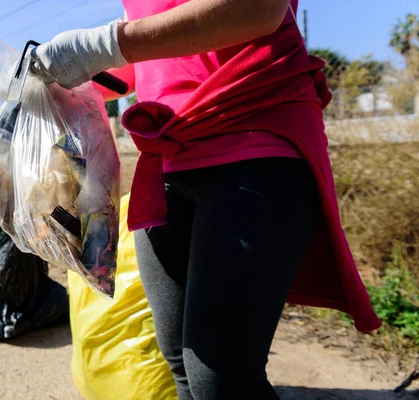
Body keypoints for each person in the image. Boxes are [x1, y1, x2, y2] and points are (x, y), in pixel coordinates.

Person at [31, 1, 381, 399]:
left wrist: (101, 44)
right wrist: (69, 80)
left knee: (221, 377)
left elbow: (259, 10)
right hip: (166, 156)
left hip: (254, 138)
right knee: (180, 359)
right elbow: (147, 56)